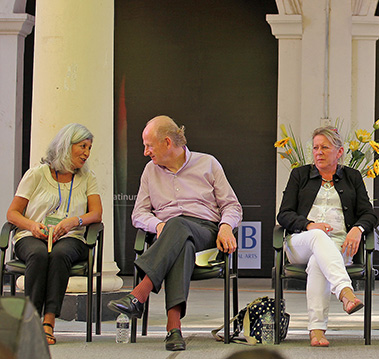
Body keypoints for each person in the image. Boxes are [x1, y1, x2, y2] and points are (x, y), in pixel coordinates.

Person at [107, 115, 242, 351]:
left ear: (167, 142)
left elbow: (231, 205)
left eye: (149, 145)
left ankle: (139, 293)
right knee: (180, 240)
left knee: (178, 226)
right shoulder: (150, 171)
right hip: (173, 235)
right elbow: (138, 214)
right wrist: (158, 226)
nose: (145, 152)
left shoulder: (208, 163)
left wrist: (226, 226)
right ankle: (174, 329)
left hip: (205, 231)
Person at [277, 126, 377, 347]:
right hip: (301, 242)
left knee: (317, 263)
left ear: (339, 152)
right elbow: (283, 214)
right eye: (315, 147)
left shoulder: (352, 177)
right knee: (318, 237)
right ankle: (345, 291)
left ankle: (317, 331)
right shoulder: (300, 175)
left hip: (340, 247)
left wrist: (357, 229)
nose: (318, 152)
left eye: (325, 147)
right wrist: (309, 225)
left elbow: (368, 214)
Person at [6, 123, 102, 345]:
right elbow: (13, 213)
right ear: (66, 146)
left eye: (89, 148)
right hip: (33, 235)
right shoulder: (37, 174)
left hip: (71, 238)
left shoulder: (88, 177)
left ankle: (48, 322)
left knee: (59, 255)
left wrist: (73, 221)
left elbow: (96, 213)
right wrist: (31, 226)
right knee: (39, 255)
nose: (87, 153)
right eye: (82, 146)